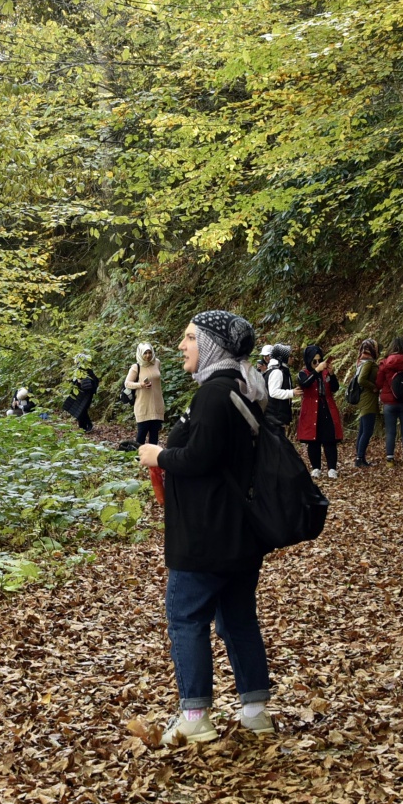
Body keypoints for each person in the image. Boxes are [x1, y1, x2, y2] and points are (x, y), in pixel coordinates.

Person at [136, 310, 273, 746]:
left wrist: (156, 456)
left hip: (206, 534)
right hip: (238, 532)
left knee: (185, 617)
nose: (182, 346)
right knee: (237, 619)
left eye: (191, 338)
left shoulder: (215, 394)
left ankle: (195, 714)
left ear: (212, 345)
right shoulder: (243, 389)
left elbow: (201, 459)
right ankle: (255, 711)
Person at [297, 344, 343, 479]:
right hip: (311, 409)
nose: (317, 363)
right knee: (313, 440)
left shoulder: (325, 373)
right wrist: (317, 370)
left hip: (326, 407)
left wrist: (332, 373)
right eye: (314, 361)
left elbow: (335, 388)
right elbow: (305, 384)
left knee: (330, 439)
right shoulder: (303, 373)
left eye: (319, 360)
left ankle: (332, 468)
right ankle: (316, 467)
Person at [377, 338, 403, 463]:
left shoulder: (384, 364)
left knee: (390, 431)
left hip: (389, 403)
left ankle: (390, 459)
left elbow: (378, 383)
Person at [347, 339, 380, 468]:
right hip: (368, 400)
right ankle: (360, 458)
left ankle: (360, 457)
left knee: (363, 430)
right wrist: (374, 387)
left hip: (365, 399)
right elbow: (361, 380)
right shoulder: (368, 363)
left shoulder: (361, 363)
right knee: (367, 430)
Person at [125, 343, 166, 446]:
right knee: (141, 434)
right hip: (143, 405)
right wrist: (141, 384)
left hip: (157, 403)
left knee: (154, 434)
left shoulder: (157, 363)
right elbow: (127, 383)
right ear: (140, 354)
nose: (148, 356)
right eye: (145, 353)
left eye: (149, 352)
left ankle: (152, 459)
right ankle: (137, 458)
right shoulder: (136, 367)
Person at [263, 344, 295, 434]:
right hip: (274, 417)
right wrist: (292, 393)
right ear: (282, 357)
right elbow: (273, 392)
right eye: (290, 356)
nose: (292, 358)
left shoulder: (280, 370)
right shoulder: (277, 372)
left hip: (275, 417)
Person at [65, 357, 99, 432]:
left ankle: (87, 425)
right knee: (80, 409)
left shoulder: (88, 371)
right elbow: (75, 382)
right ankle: (83, 427)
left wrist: (84, 382)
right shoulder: (77, 370)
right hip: (80, 393)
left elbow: (94, 381)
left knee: (83, 409)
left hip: (87, 394)